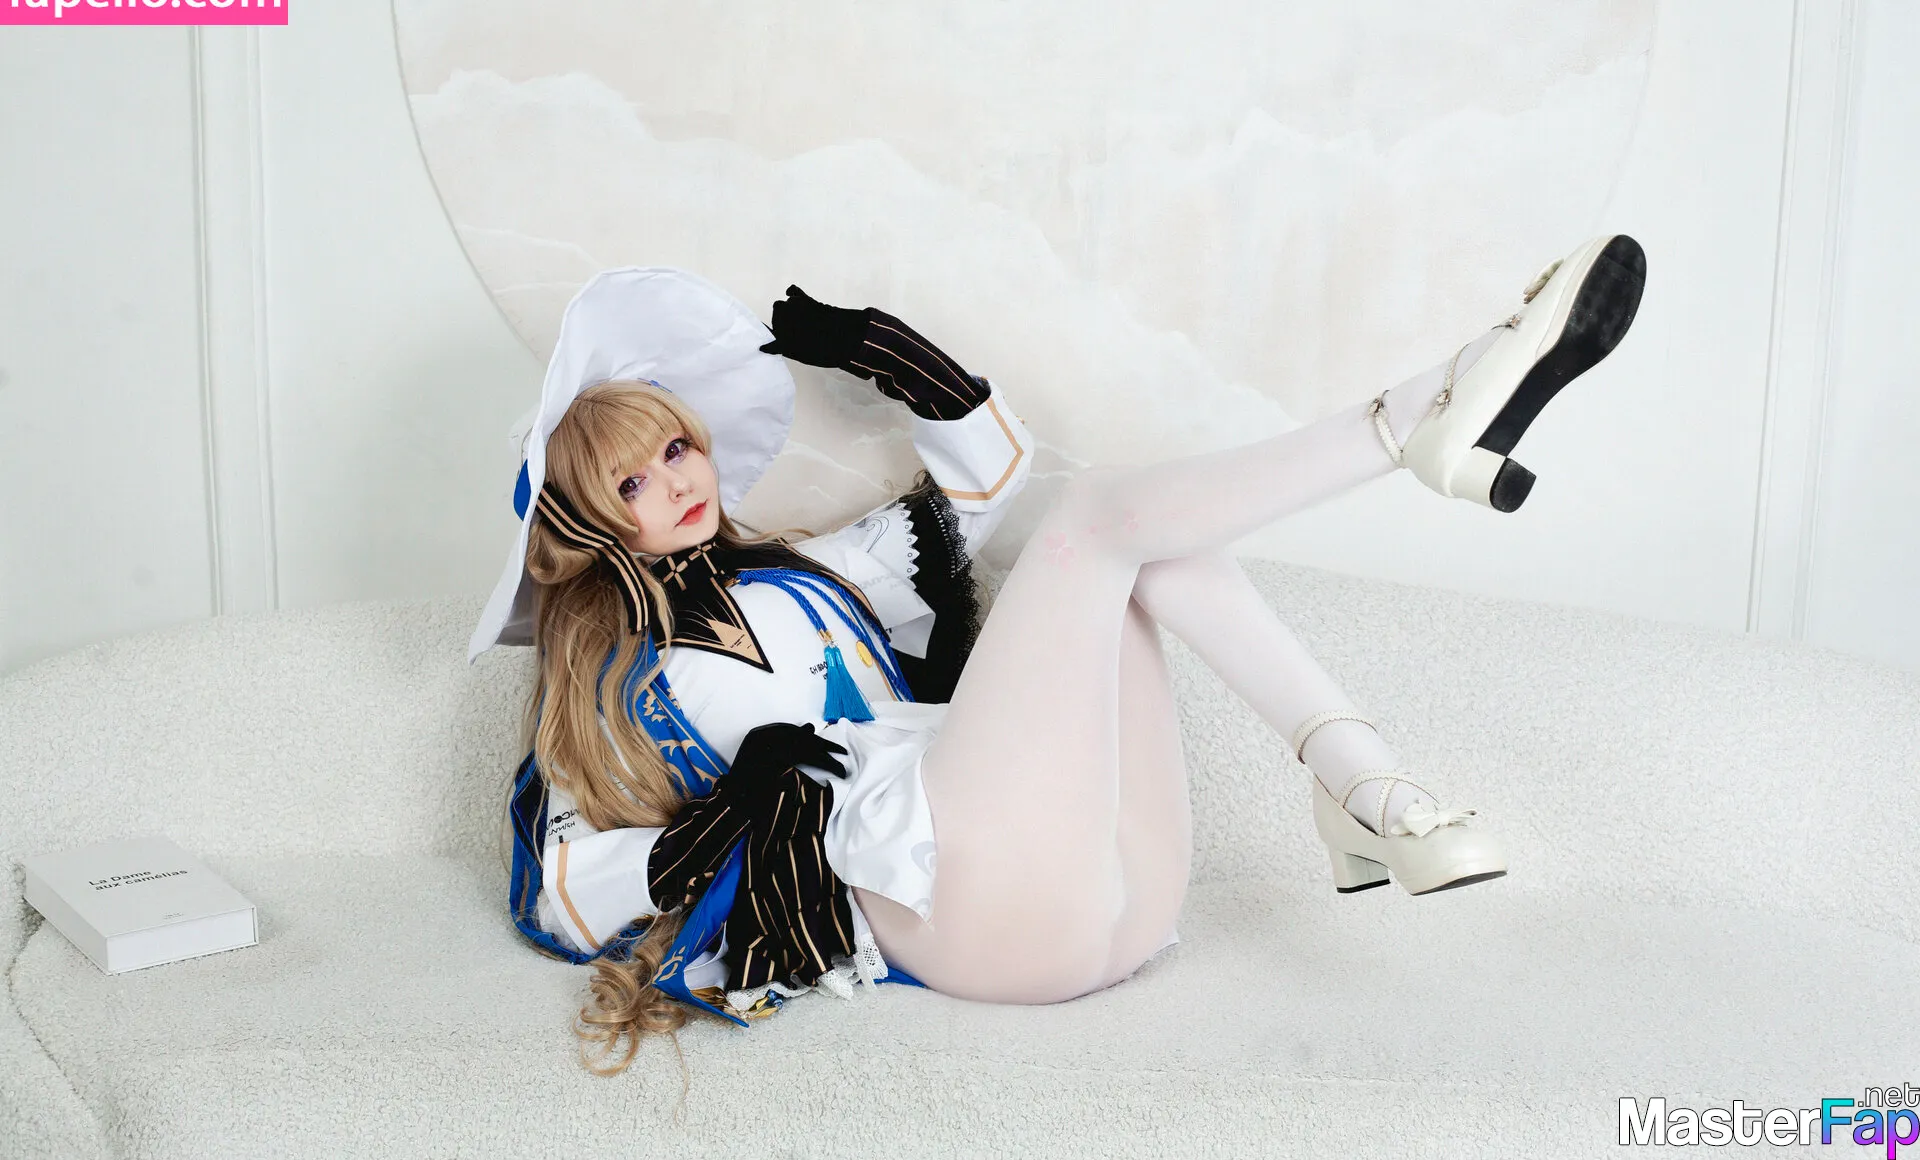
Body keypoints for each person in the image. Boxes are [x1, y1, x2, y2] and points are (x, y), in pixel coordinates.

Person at [470, 237, 1647, 1074]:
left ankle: (1362, 780)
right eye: (631, 480)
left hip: (1114, 902)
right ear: (587, 521)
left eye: (677, 448)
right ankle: (1414, 418)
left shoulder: (818, 574)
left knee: (1142, 538)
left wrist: (881, 346)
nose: (675, 480)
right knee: (1103, 518)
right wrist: (730, 817)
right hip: (964, 915)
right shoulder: (611, 691)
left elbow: (988, 475)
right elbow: (558, 894)